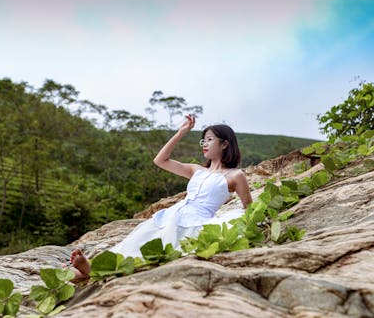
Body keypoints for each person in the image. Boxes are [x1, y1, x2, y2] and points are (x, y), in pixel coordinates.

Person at [70, 115, 252, 281]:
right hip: (171, 215)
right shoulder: (196, 170)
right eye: (203, 140)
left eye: (210, 140)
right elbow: (160, 160)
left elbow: (248, 208)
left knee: (152, 256)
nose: (204, 144)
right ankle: (85, 271)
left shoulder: (235, 176)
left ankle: (88, 271)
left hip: (196, 223)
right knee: (134, 241)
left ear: (225, 144)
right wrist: (181, 132)